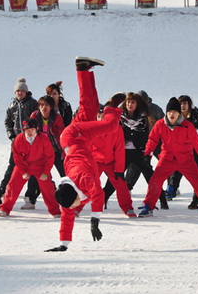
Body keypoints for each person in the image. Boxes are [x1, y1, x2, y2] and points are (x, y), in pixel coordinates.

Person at [45, 57, 124, 252]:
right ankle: (83, 69)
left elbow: (99, 194)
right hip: (76, 143)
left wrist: (94, 221)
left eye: (73, 204)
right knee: (88, 105)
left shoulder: (83, 177)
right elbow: (66, 217)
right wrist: (63, 244)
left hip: (75, 137)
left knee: (111, 125)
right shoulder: (68, 197)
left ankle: (110, 107)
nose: (73, 208)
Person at [138, 97, 198, 218]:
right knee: (155, 181)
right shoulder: (160, 124)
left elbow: (197, 145)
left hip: (186, 159)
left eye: (175, 112)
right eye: (170, 111)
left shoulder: (188, 126)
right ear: (166, 113)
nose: (172, 114)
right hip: (167, 159)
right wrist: (147, 155)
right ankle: (148, 207)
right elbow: (152, 140)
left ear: (179, 113)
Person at [103, 92, 169, 210]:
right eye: (128, 102)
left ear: (137, 104)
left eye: (133, 102)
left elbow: (145, 135)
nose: (130, 104)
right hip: (123, 153)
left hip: (139, 152)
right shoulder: (120, 117)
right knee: (115, 177)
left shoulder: (143, 118)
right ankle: (103, 199)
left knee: (151, 177)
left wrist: (145, 153)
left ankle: (163, 200)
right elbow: (114, 132)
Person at [0, 118, 61, 218]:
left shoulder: (44, 139)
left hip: (40, 166)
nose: (29, 131)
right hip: (24, 165)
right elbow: (17, 157)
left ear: (36, 129)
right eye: (26, 129)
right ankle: (5, 209)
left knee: (48, 188)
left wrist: (46, 172)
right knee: (12, 186)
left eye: (31, 129)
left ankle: (55, 211)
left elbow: (49, 157)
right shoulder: (19, 139)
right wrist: (23, 172)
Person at [166, 95, 198, 208]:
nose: (182, 106)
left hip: (195, 152)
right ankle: (170, 192)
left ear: (189, 105)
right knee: (175, 173)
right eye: (180, 104)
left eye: (185, 103)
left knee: (197, 177)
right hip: (180, 151)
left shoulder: (196, 118)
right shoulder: (174, 118)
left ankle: (196, 200)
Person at [92, 106, 136, 217]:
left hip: (110, 162)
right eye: (98, 116)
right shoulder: (92, 127)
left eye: (102, 116)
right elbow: (86, 146)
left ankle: (127, 208)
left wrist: (119, 170)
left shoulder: (117, 129)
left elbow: (119, 150)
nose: (100, 118)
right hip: (95, 161)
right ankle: (76, 207)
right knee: (87, 183)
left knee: (121, 184)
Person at [23, 95, 66, 207]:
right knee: (34, 174)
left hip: (55, 150)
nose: (44, 107)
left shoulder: (56, 118)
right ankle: (30, 200)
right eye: (41, 105)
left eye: (47, 105)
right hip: (40, 153)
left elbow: (62, 135)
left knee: (65, 174)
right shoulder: (34, 116)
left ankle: (69, 198)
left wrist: (64, 150)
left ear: (51, 107)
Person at [0, 77, 38, 197]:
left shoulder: (32, 103)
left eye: (22, 91)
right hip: (17, 140)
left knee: (33, 166)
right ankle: (3, 188)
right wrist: (11, 135)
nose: (19, 93)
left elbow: (36, 120)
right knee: (13, 164)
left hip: (30, 140)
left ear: (26, 92)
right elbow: (8, 122)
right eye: (17, 91)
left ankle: (32, 193)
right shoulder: (12, 105)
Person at [123, 90, 164, 196]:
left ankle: (171, 187)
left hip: (155, 140)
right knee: (136, 165)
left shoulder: (155, 109)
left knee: (166, 162)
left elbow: (164, 122)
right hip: (140, 142)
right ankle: (127, 187)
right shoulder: (133, 110)